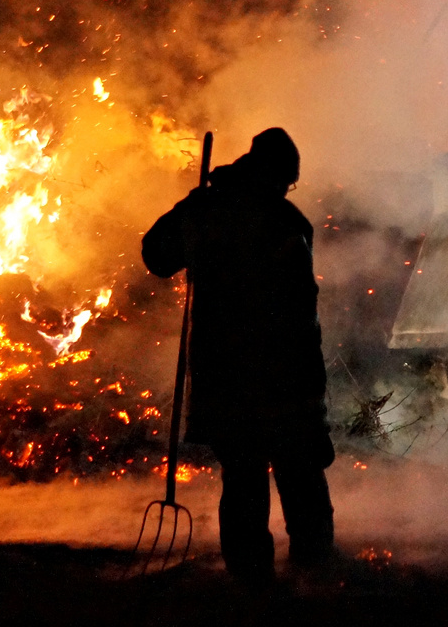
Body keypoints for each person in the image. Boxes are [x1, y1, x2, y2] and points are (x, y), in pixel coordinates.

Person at [141, 126, 335, 585]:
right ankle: (316, 574)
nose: (288, 189)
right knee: (300, 473)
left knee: (245, 477)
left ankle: (252, 581)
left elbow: (156, 255)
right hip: (282, 372)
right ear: (279, 175)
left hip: (224, 373)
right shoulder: (287, 222)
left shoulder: (208, 209)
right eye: (288, 181)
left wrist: (188, 211)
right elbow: (299, 315)